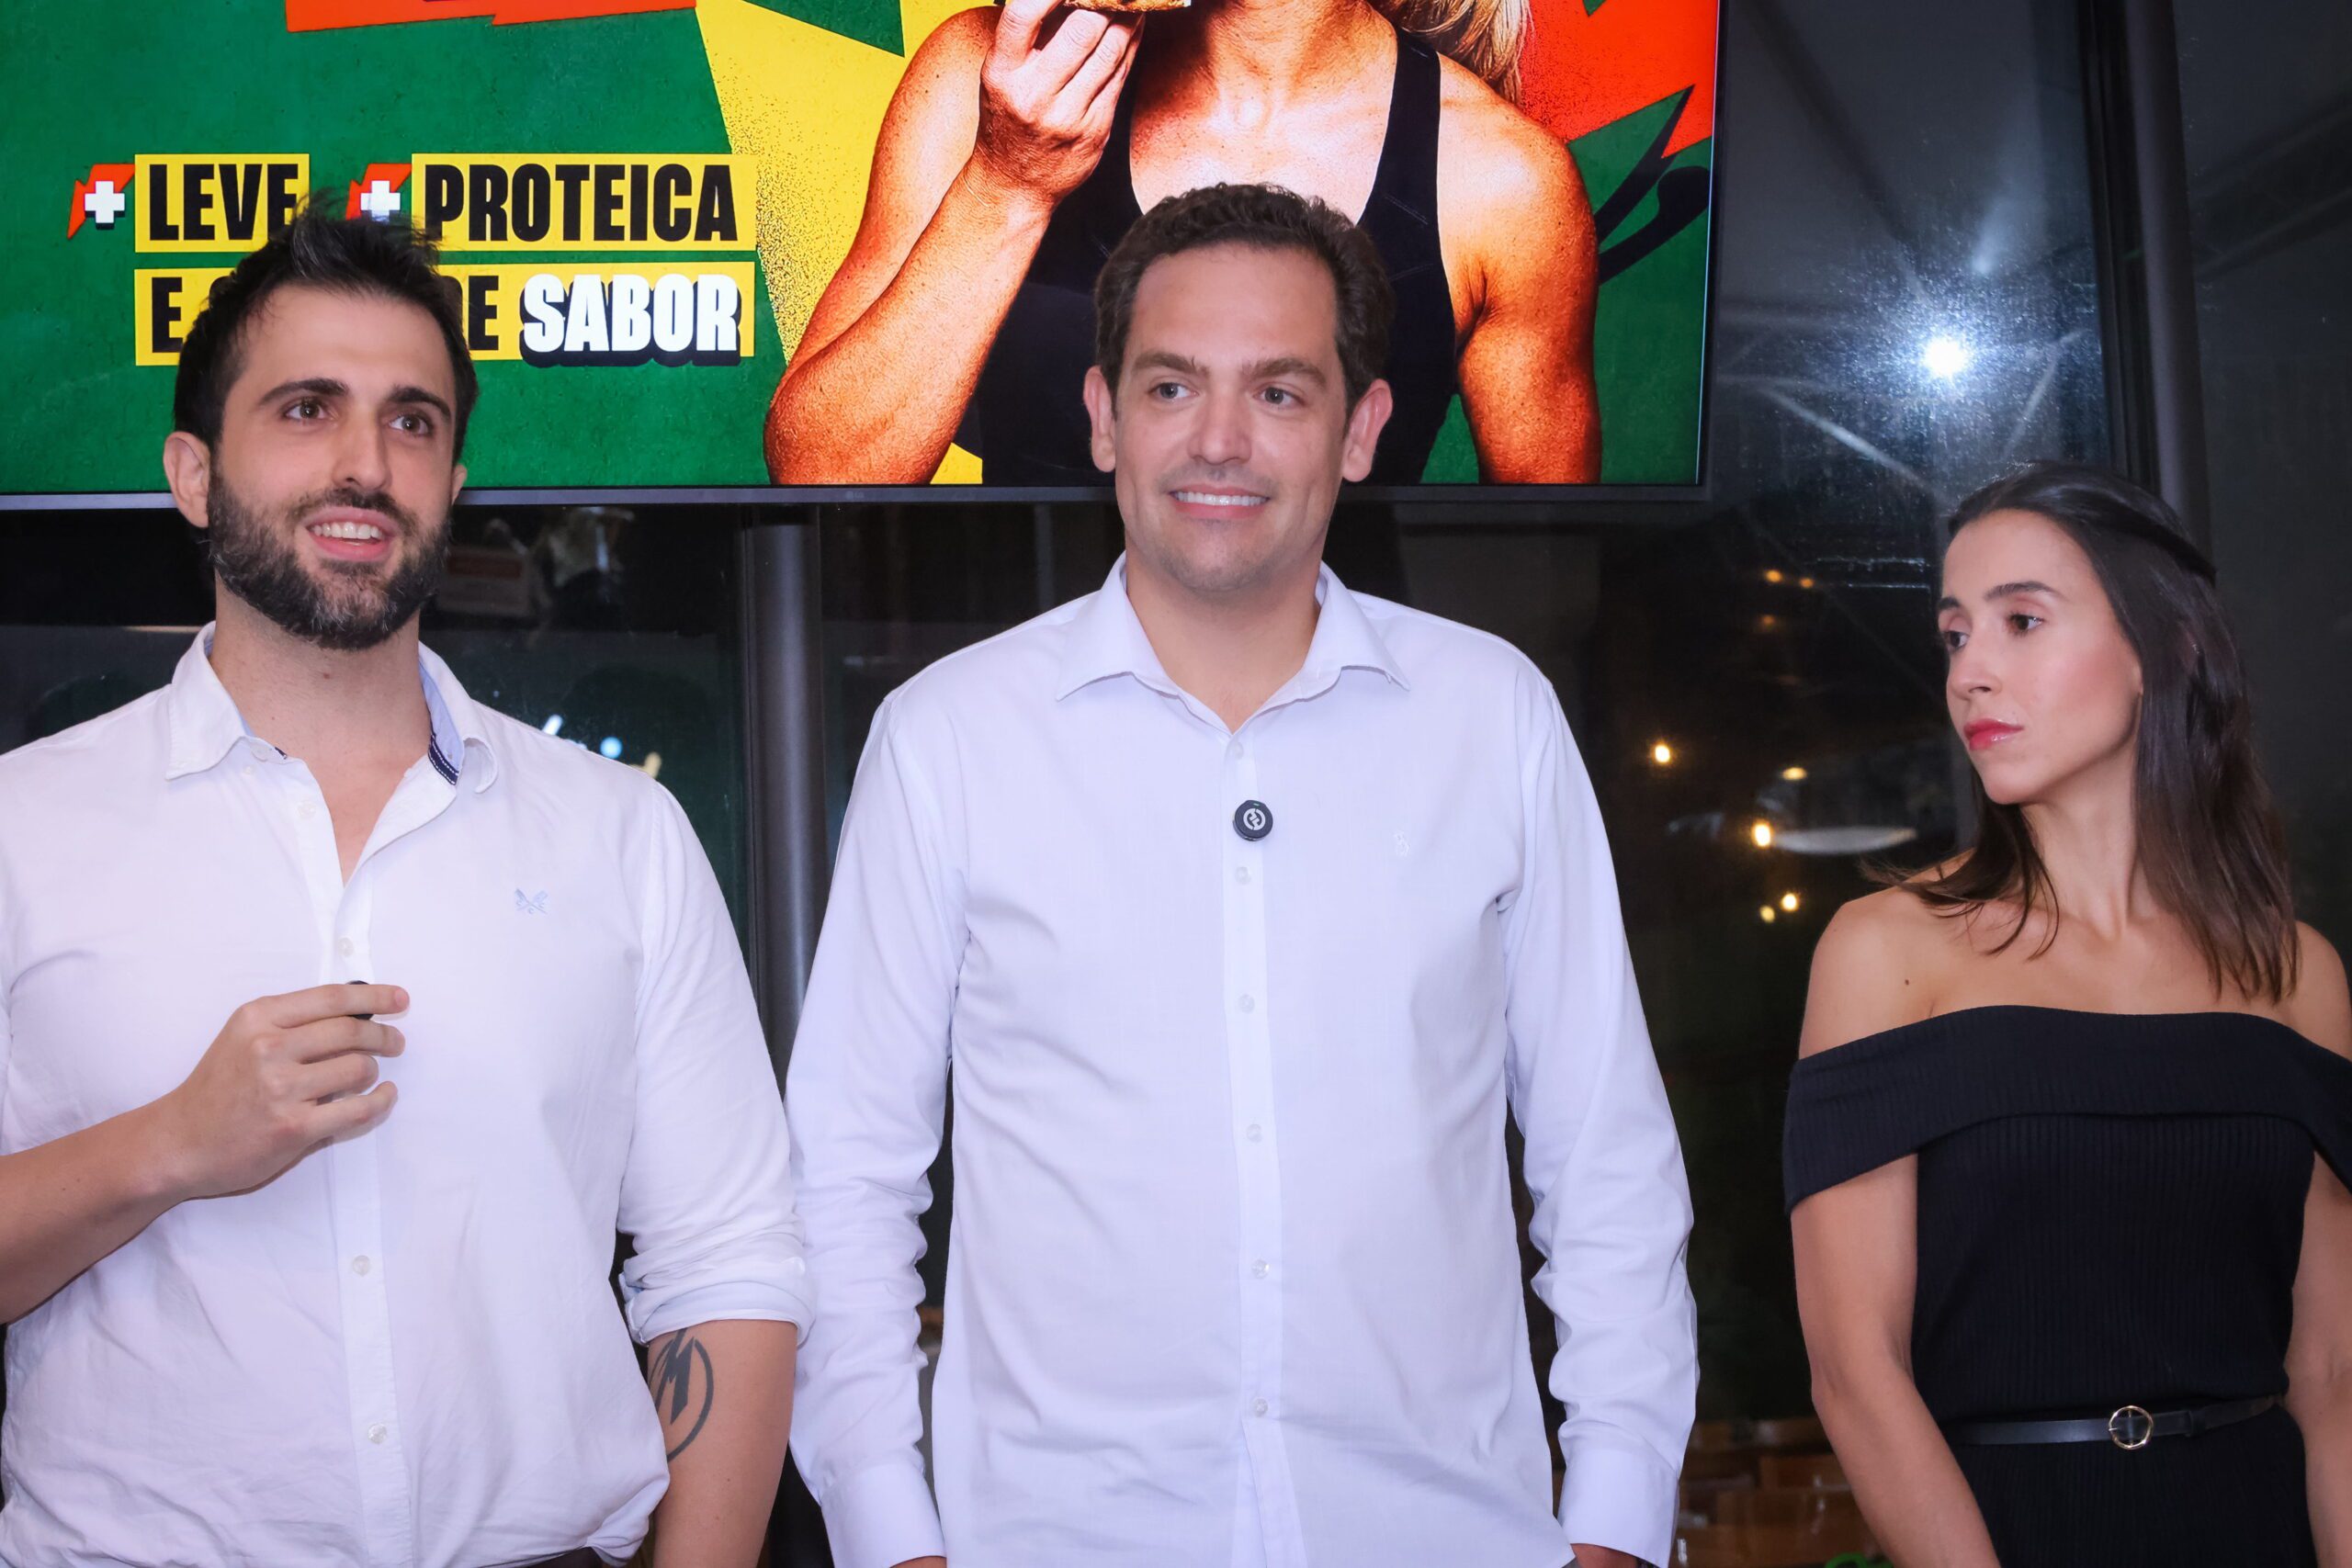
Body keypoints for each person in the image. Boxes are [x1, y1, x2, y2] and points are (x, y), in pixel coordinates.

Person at [786, 183, 1691, 1568]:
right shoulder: (948, 738)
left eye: (1278, 391)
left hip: (1445, 1536)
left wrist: (1618, 1517)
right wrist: (884, 1528)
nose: (1219, 439)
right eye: (1171, 387)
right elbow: (845, 1176)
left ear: (1362, 428)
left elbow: (1604, 1153)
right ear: (1103, 417)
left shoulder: (1492, 716)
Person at [0, 209, 809, 1568]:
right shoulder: (26, 827)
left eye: (412, 421)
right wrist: (170, 1145)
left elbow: (729, 1259)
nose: (365, 465)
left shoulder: (620, 834)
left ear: (455, 479)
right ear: (193, 474)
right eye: (306, 408)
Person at [1785, 462, 2352, 1565]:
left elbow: (2330, 1377)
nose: (1970, 673)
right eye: (1955, 635)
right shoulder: (1887, 952)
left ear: (2162, 649)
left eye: (2022, 621)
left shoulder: (2297, 975)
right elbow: (1856, 1374)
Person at [763, 0, 1599, 486]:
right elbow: (818, 473)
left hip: (1326, 721)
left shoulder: (1502, 183)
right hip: (1021, 708)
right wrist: (1007, 182)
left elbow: (1552, 585)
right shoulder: (982, 78)